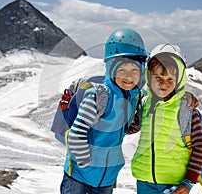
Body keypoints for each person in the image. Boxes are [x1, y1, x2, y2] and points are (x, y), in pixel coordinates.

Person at [60, 28, 148, 194]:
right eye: (122, 70)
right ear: (111, 68)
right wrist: (87, 164)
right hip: (79, 176)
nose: (129, 77)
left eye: (134, 70)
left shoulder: (133, 98)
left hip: (107, 178)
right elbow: (76, 133)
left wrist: (131, 128)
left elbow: (116, 129)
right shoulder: (99, 95)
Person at [131, 43, 202, 194]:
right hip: (144, 181)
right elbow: (132, 127)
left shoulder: (187, 110)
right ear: (148, 76)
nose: (163, 83)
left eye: (170, 79)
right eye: (157, 77)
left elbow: (200, 149)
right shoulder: (145, 104)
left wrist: (188, 183)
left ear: (179, 81)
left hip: (174, 184)